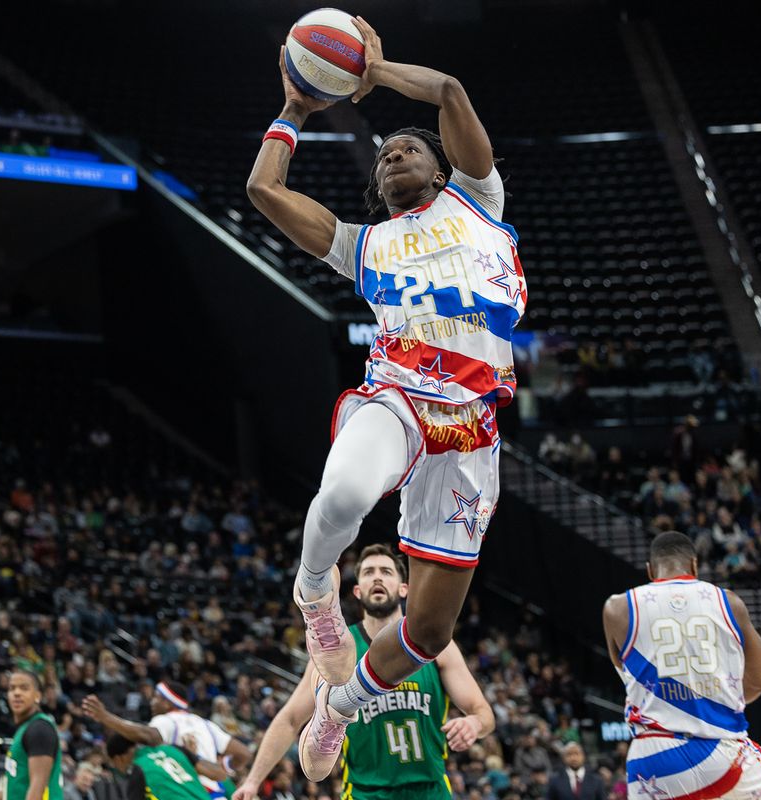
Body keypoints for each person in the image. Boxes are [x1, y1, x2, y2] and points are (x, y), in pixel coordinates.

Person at [246, 16, 523, 780]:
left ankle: (338, 709)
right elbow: (262, 189)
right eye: (384, 153)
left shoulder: (479, 201)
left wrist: (374, 70)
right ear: (378, 186)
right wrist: (296, 109)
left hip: (472, 431)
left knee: (429, 633)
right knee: (342, 495)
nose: (395, 151)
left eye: (410, 147)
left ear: (440, 171)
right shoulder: (362, 244)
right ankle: (316, 603)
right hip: (399, 396)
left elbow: (449, 91)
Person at [233, 545, 495, 800]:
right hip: (366, 793)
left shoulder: (438, 647)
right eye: (369, 572)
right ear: (357, 591)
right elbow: (290, 719)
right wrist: (253, 780)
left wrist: (474, 723)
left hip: (430, 790)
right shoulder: (336, 655)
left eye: (386, 571)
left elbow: (483, 712)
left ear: (404, 589)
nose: (377, 576)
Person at [601, 532, 761, 800]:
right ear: (694, 566)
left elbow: (624, 672)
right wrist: (714, 701)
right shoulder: (729, 602)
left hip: (651, 757)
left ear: (650, 570)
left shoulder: (617, 608)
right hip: (717, 748)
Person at [82, 683, 248, 799]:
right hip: (216, 792)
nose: (152, 702)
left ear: (168, 703)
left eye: (157, 698)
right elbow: (244, 754)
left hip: (188, 788)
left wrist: (105, 717)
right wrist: (225, 764)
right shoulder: (204, 723)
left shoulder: (165, 721)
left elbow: (148, 736)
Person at [104, 735, 222, 800]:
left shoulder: (138, 768)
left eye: (114, 764)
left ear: (119, 758)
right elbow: (218, 774)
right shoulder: (173, 749)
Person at [4, 669, 63, 800]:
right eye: (12, 688)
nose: (16, 693)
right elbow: (21, 787)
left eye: (24, 688)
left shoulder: (39, 729)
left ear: (37, 696)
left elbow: (37, 789)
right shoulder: (26, 728)